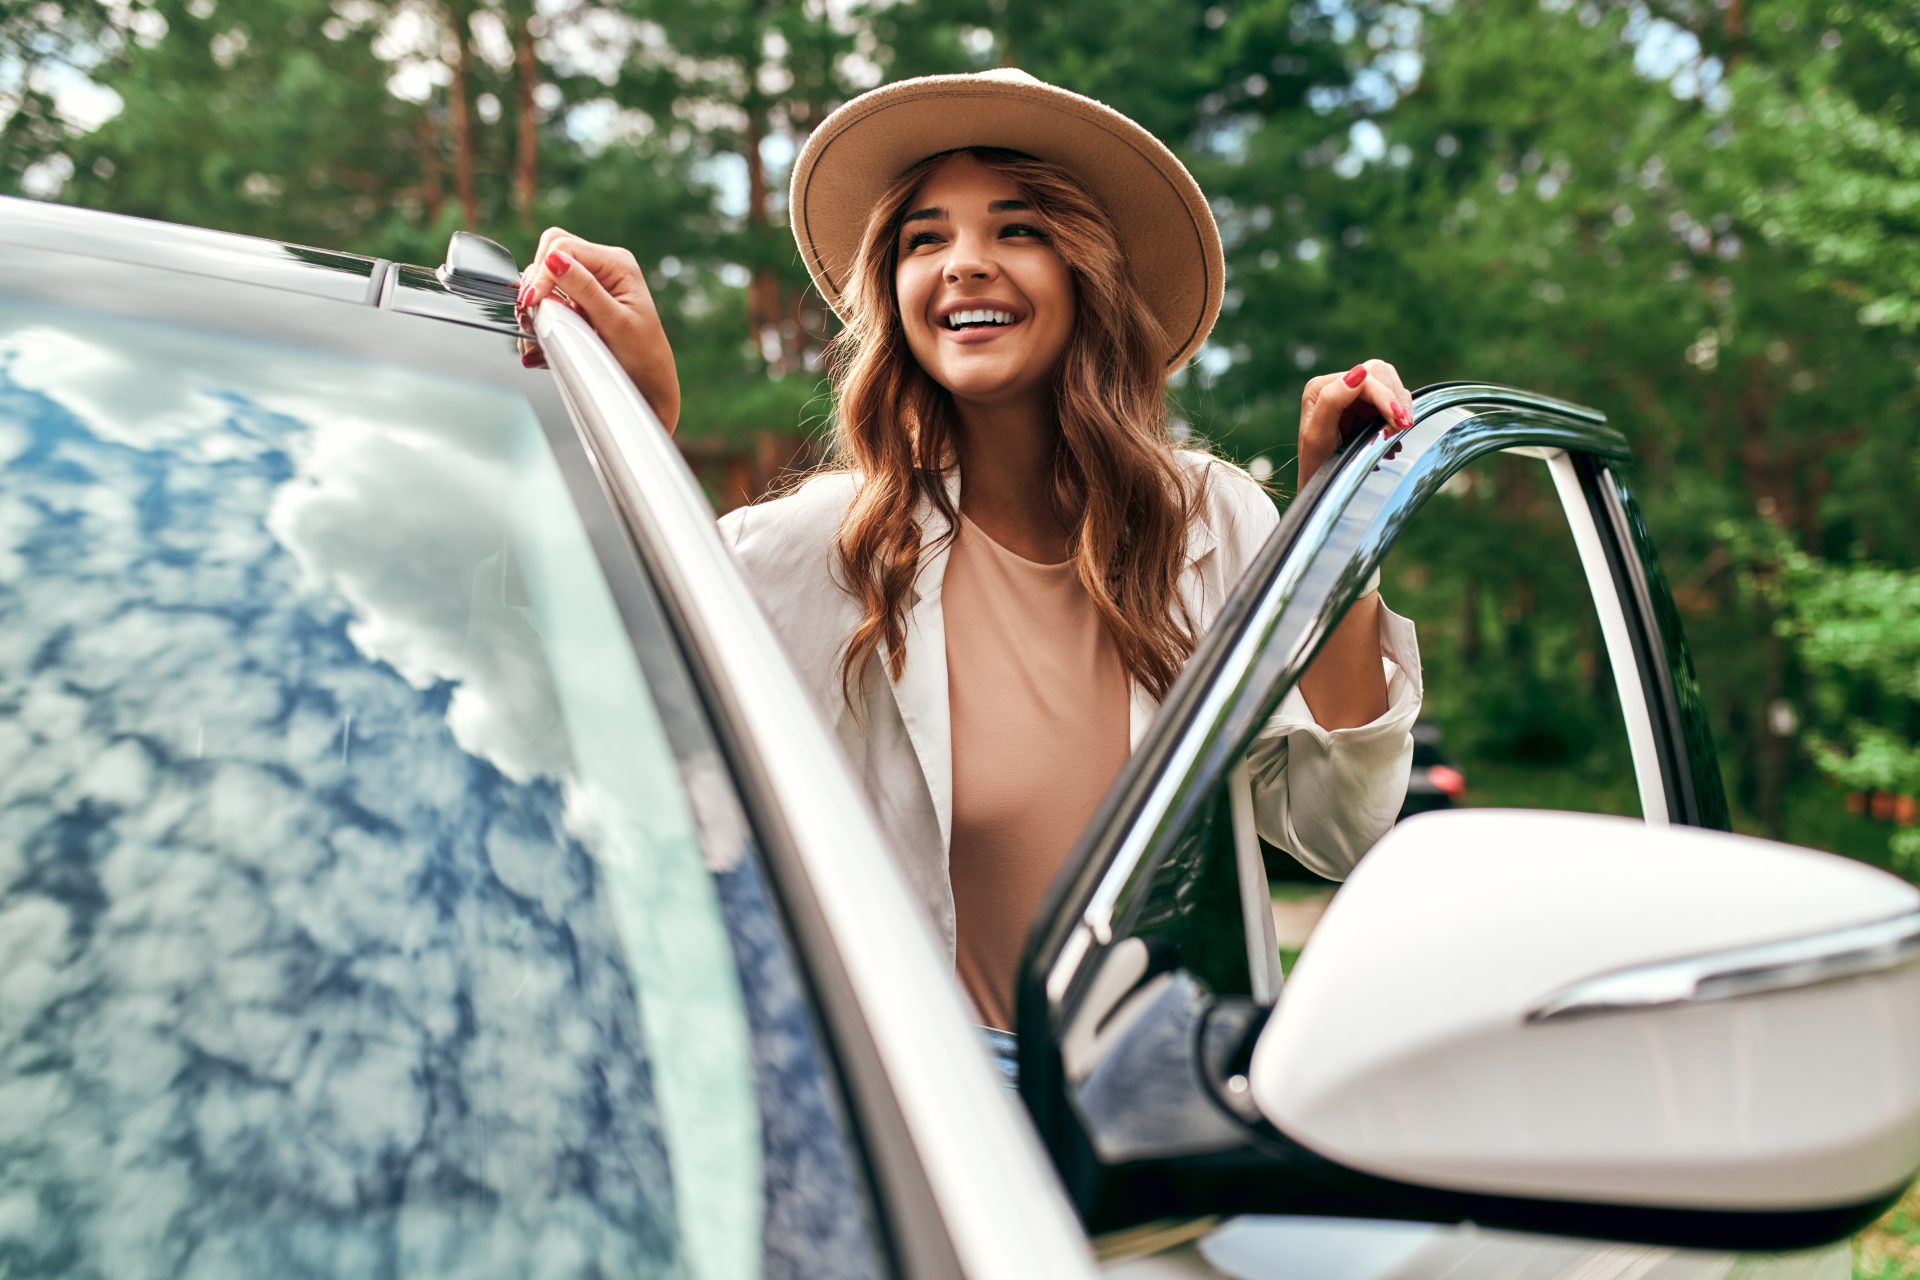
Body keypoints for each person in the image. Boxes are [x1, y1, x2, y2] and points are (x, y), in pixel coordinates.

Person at [515, 69, 1422, 1031]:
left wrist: (1346, 525)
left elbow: (1339, 824)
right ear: (894, 289)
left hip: (1164, 1105)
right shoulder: (819, 547)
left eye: (1017, 227)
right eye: (925, 238)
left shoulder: (1213, 520)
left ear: (1087, 270)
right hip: (940, 1126)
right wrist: (640, 428)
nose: (963, 262)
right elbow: (598, 711)